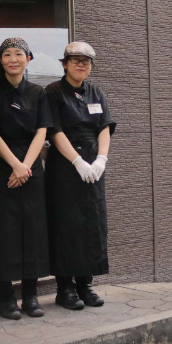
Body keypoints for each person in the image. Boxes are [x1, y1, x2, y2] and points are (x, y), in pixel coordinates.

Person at [0, 38, 52, 320]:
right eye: (7, 54)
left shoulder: (38, 92)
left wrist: (26, 166)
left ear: (29, 59)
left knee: (33, 229)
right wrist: (14, 164)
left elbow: (42, 132)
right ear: (0, 60)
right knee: (3, 231)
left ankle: (31, 295)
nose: (13, 59)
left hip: (31, 164)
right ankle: (6, 298)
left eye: (19, 54)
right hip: (0, 164)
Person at [44, 41, 116, 311]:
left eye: (86, 61)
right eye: (75, 60)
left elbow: (104, 128)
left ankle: (86, 284)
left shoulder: (96, 92)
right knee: (66, 225)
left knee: (92, 223)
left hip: (93, 167)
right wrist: (76, 161)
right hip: (64, 167)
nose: (80, 64)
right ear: (64, 64)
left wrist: (101, 160)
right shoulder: (53, 92)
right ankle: (65, 288)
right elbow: (54, 130)